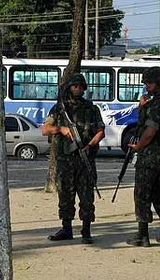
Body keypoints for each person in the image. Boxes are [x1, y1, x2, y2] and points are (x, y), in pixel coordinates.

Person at [41, 74, 105, 244]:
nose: (78, 89)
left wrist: (89, 146)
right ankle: (66, 228)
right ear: (69, 87)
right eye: (75, 86)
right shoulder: (59, 109)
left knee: (86, 196)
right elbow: (45, 129)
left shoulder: (92, 109)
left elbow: (100, 131)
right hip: (65, 160)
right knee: (65, 195)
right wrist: (61, 129)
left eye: (81, 86)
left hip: (85, 160)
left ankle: (86, 230)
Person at [126, 67, 160, 247]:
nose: (146, 86)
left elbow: (150, 131)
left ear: (158, 82)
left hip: (150, 154)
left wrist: (138, 145)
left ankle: (142, 235)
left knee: (142, 192)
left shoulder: (157, 104)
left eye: (149, 83)